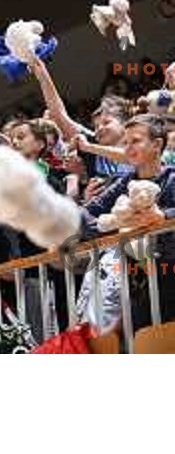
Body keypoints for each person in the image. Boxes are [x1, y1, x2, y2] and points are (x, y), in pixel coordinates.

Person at [82, 114, 175, 331]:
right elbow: (83, 215)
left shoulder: (172, 177)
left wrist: (164, 217)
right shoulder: (122, 183)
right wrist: (114, 225)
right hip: (139, 282)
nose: (128, 148)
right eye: (125, 143)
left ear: (157, 144)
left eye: (136, 141)